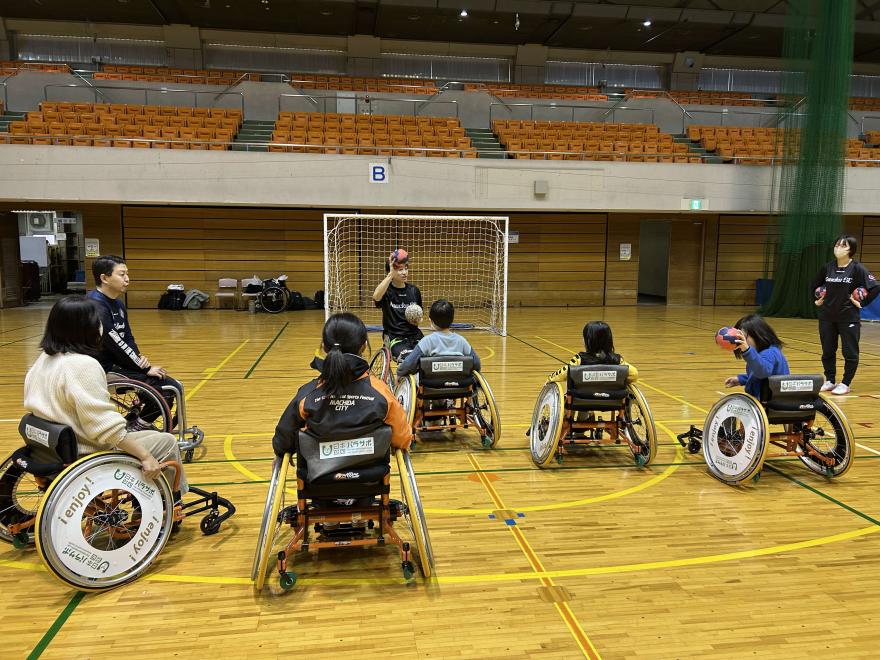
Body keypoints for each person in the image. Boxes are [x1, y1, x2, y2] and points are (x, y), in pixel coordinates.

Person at [23, 295, 188, 495]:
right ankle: (168, 503)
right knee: (167, 442)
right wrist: (145, 457)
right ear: (89, 328)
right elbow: (106, 429)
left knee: (151, 436)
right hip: (85, 450)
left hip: (50, 447)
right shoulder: (83, 365)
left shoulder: (43, 360)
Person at [272, 313, 413, 461]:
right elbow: (403, 438)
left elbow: (283, 442)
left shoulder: (307, 395)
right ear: (364, 346)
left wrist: (281, 452)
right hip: (371, 481)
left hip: (317, 481)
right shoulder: (381, 393)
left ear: (324, 347)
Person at [87, 255, 183, 425]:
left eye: (127, 274)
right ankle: (134, 429)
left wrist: (139, 360)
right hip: (102, 369)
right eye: (121, 274)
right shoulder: (95, 306)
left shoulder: (118, 304)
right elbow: (114, 342)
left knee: (171, 385)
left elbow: (127, 337)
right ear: (104, 278)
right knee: (165, 392)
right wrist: (143, 367)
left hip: (119, 364)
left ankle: (137, 422)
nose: (127, 279)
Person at [811, 235, 880, 395]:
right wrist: (817, 301)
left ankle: (846, 383)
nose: (838, 248)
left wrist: (861, 303)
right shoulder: (828, 267)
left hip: (848, 317)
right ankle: (829, 380)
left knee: (849, 352)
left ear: (851, 250)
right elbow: (814, 285)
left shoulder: (857, 269)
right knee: (828, 351)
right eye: (837, 244)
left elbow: (875, 287)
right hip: (827, 317)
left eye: (843, 245)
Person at [396, 299, 482, 377]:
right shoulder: (461, 341)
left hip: (430, 387)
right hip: (459, 386)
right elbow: (477, 363)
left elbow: (409, 364)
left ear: (431, 321)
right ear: (451, 320)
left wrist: (399, 372)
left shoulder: (427, 341)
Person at [547, 321, 638, 385]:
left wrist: (550, 378)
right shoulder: (617, 360)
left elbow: (563, 373)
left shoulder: (579, 359)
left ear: (588, 341)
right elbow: (634, 374)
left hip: (583, 399)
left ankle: (584, 412)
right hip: (612, 399)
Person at [372, 249, 423, 361]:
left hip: (415, 335)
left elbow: (420, 317)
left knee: (429, 356)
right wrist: (390, 275)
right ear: (390, 271)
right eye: (400, 270)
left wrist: (418, 320)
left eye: (406, 268)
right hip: (395, 337)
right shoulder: (386, 291)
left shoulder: (414, 291)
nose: (404, 272)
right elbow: (376, 297)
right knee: (409, 359)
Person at [723, 314, 789, 399]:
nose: (740, 342)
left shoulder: (769, 353)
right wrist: (741, 380)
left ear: (757, 335)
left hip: (769, 404)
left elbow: (762, 372)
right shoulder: (764, 353)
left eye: (743, 338)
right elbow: (764, 378)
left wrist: (747, 350)